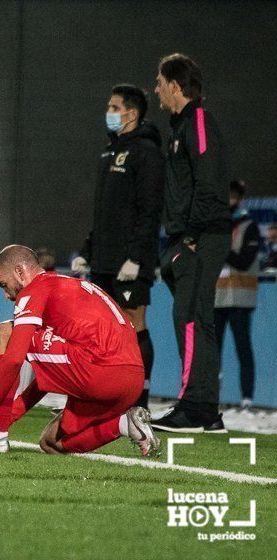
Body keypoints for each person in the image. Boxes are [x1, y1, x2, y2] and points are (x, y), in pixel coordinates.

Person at [0, 245, 160, 457]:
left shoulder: (35, 289)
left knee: (5, 332)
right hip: (131, 380)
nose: (5, 295)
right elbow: (50, 376)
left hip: (100, 369)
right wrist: (8, 416)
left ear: (19, 272)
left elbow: (13, 360)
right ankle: (125, 425)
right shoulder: (70, 286)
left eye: (4, 285)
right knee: (51, 442)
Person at [152, 54, 232, 433]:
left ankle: (194, 408)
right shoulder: (181, 126)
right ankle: (206, 409)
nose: (156, 90)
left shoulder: (197, 122)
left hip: (200, 238)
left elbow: (210, 182)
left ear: (175, 86)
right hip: (192, 238)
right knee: (198, 320)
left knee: (188, 320)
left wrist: (190, 237)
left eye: (159, 83)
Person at [72, 84, 164, 409]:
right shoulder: (108, 152)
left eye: (114, 107)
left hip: (130, 261)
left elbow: (150, 210)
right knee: (103, 328)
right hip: (105, 261)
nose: (108, 113)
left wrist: (137, 258)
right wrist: (87, 249)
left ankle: (140, 399)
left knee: (133, 323)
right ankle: (105, 394)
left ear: (131, 113)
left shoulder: (147, 152)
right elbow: (104, 213)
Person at [215, 180, 260, 410]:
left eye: (233, 196)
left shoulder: (248, 226)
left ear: (239, 198)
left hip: (240, 298)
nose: (229, 200)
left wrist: (222, 248)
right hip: (217, 298)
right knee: (213, 352)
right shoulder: (217, 225)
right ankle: (212, 397)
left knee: (243, 347)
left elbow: (244, 261)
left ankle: (247, 399)